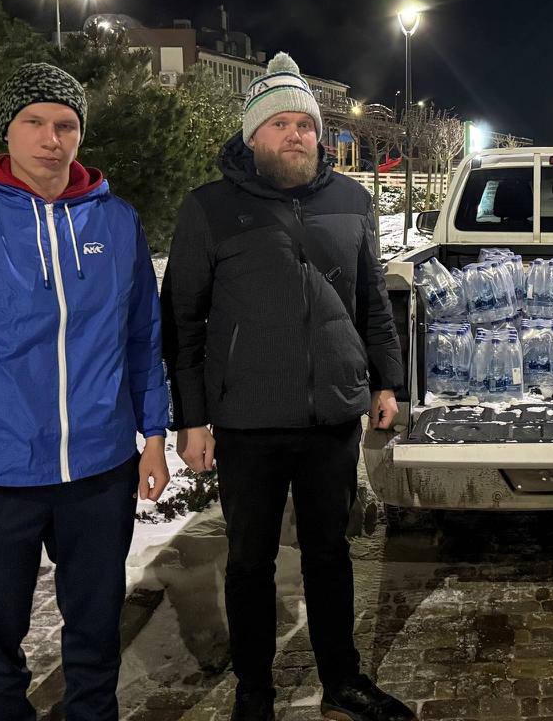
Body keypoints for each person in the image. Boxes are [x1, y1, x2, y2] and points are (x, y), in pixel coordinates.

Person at [162, 53, 413, 721]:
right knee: (250, 561)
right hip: (247, 419)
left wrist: (387, 381)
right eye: (280, 124)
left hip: (331, 415)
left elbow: (372, 302)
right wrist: (191, 418)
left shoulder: (351, 201)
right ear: (253, 135)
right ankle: (255, 692)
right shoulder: (210, 208)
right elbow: (182, 320)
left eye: (305, 124)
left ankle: (342, 682)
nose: (296, 135)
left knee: (331, 553)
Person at [0, 62, 170, 721]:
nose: (52, 139)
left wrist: (154, 435)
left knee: (96, 636)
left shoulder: (117, 222)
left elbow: (142, 336)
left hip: (98, 470)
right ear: (8, 130)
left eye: (66, 125)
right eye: (35, 122)